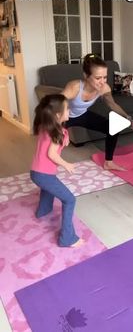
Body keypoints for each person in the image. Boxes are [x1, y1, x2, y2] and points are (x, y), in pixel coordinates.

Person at [62, 54, 133, 171]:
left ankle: (109, 163)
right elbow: (56, 104)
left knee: (112, 127)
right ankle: (46, 169)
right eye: (98, 78)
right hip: (65, 117)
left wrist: (128, 117)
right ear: (86, 75)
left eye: (105, 77)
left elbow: (112, 104)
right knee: (53, 141)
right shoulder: (74, 87)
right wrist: (60, 128)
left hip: (83, 115)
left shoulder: (104, 88)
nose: (102, 82)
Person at [30, 94, 83, 248]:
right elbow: (51, 154)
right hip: (44, 175)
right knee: (70, 199)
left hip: (35, 173)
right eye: (67, 108)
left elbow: (56, 142)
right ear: (58, 115)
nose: (70, 110)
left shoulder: (44, 127)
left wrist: (64, 137)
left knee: (48, 190)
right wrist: (66, 164)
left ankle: (43, 211)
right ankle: (67, 238)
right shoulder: (57, 132)